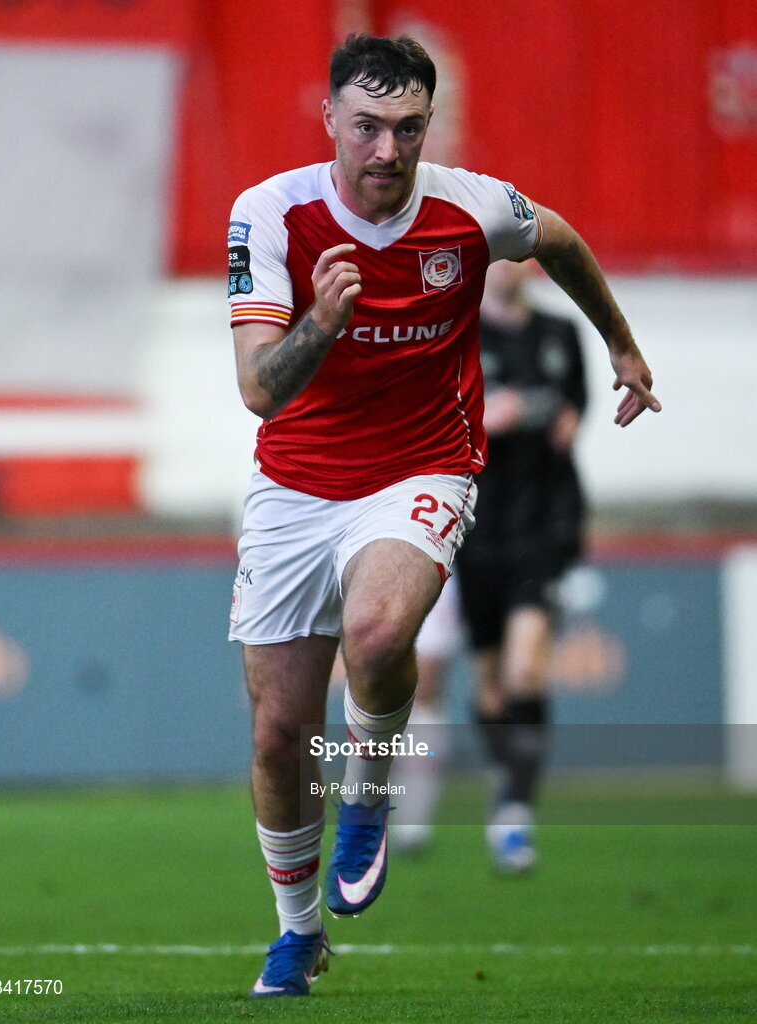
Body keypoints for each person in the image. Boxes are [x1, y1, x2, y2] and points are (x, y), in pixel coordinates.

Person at [227, 33, 660, 998]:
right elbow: (260, 390)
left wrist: (623, 348)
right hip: (297, 486)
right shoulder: (271, 212)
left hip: (427, 464)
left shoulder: (472, 207)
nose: (388, 150)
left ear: (429, 126)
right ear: (329, 119)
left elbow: (560, 239)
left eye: (408, 128)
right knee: (276, 734)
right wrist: (321, 324)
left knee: (379, 632)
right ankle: (299, 935)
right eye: (368, 127)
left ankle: (371, 799)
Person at [392, 259, 588, 872]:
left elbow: (569, 417)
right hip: (476, 531)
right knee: (489, 688)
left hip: (543, 526)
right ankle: (451, 798)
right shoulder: (460, 335)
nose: (507, 267)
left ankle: (514, 812)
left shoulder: (560, 334)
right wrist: (486, 418)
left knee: (526, 669)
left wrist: (548, 417)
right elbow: (432, 419)